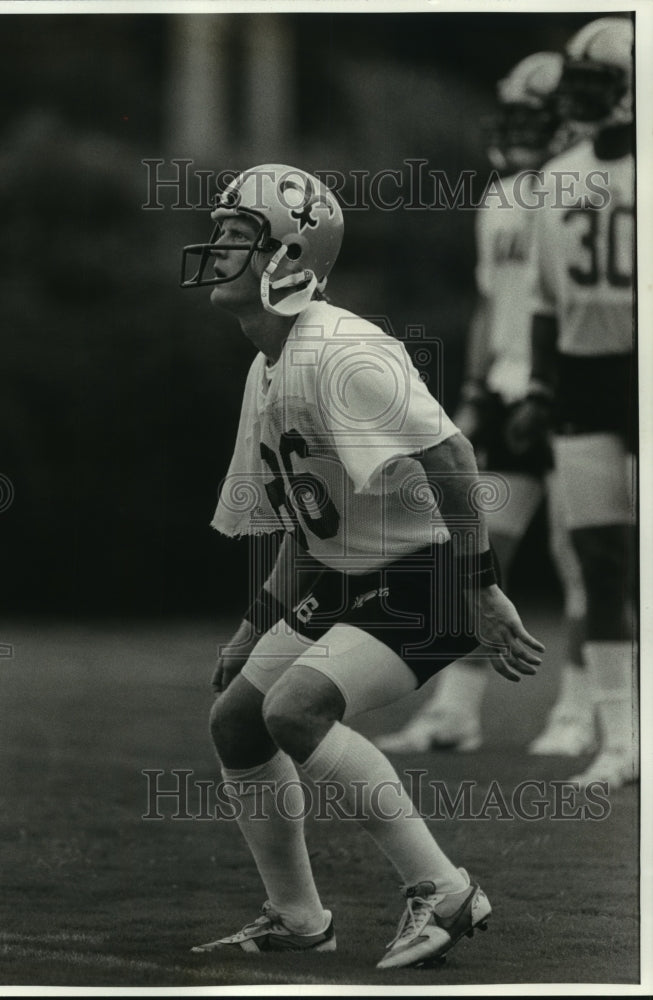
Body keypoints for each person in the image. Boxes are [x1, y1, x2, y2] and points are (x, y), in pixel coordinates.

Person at [179, 164, 544, 968]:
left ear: (290, 256)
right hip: (355, 578)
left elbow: (452, 456)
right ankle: (298, 916)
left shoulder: (340, 351)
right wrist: (254, 624)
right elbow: (305, 525)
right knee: (237, 719)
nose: (218, 248)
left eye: (239, 235)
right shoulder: (268, 360)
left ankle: (443, 889)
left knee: (295, 712)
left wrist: (480, 589)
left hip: (428, 575)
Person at [375, 52, 593, 759]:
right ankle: (455, 712)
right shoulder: (500, 196)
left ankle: (579, 709)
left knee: (581, 557)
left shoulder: (591, 190)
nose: (519, 128)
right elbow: (488, 302)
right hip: (503, 389)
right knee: (477, 556)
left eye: (533, 115)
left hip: (569, 389)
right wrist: (470, 390)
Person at [508, 17, 637, 789]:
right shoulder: (557, 177)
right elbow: (544, 304)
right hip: (586, 379)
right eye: (578, 85)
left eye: (597, 83)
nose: (583, 99)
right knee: (599, 559)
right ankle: (619, 736)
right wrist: (538, 386)